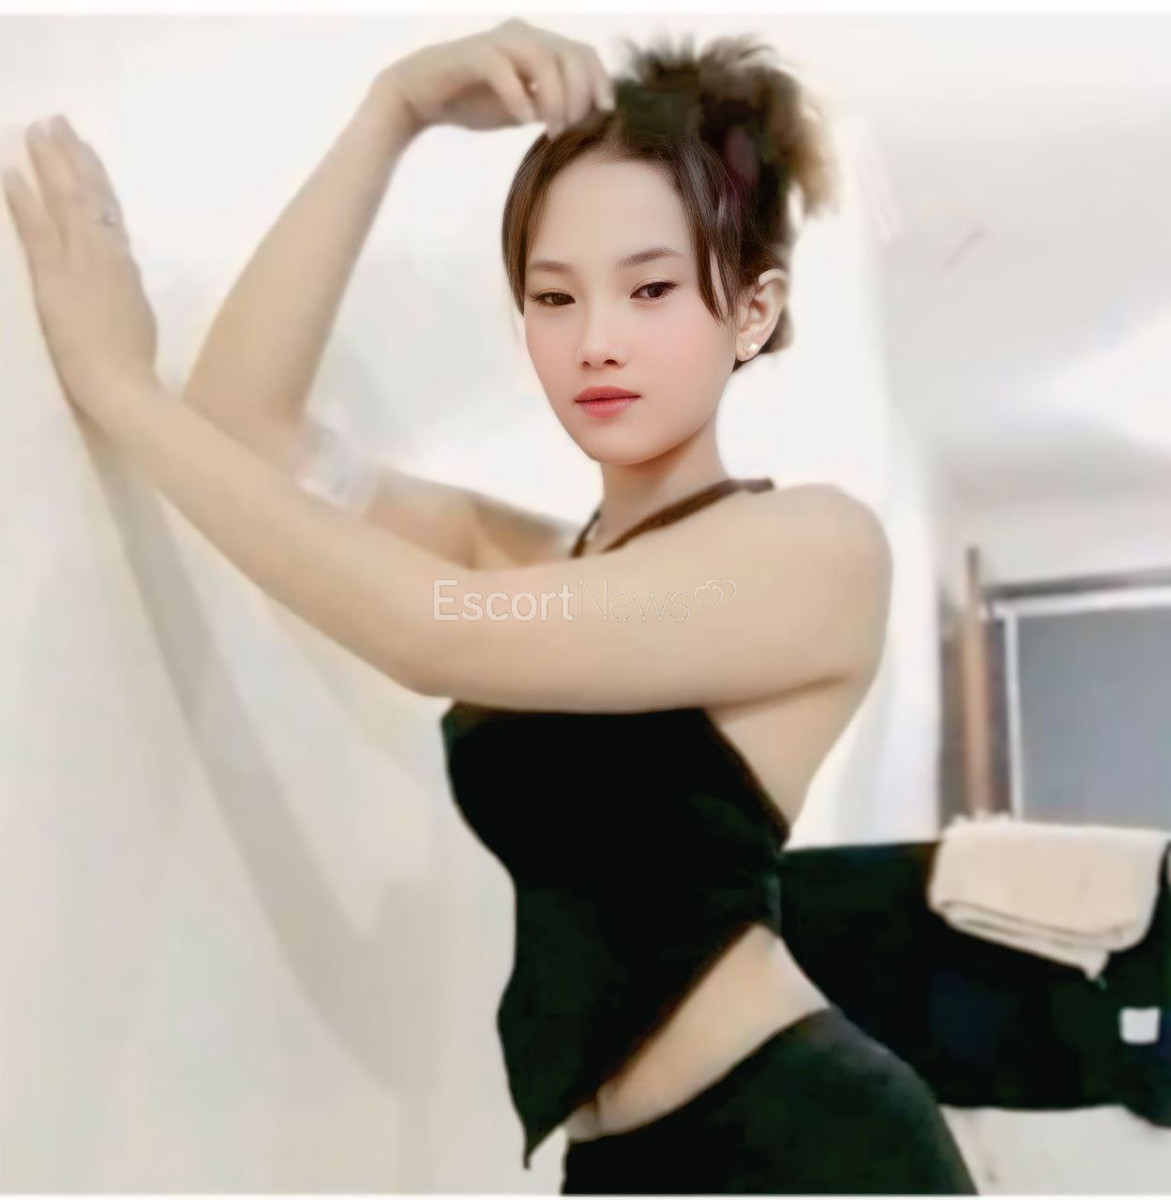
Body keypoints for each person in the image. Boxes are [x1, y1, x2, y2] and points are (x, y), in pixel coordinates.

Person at [178, 18, 978, 1193]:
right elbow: (239, 431)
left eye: (650, 288)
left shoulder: (810, 551)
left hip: (807, 1143)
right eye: (554, 298)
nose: (596, 341)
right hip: (614, 1165)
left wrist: (109, 380)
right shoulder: (534, 565)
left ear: (749, 312)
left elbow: (434, 630)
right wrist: (391, 113)